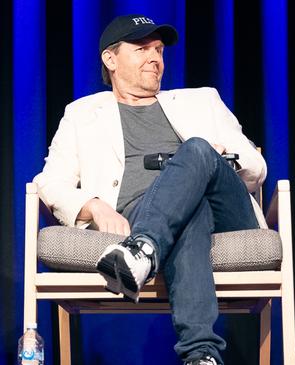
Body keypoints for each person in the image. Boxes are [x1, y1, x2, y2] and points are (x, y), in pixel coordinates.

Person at [33, 14, 267, 365]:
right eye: (142, 49)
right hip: (145, 213)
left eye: (158, 50)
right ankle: (201, 355)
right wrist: (95, 206)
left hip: (228, 213)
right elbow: (50, 182)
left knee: (198, 149)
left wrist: (216, 163)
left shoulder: (202, 101)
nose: (155, 58)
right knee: (191, 212)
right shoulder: (82, 114)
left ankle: (141, 251)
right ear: (110, 60)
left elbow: (256, 166)